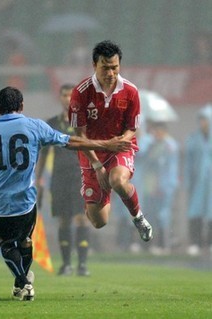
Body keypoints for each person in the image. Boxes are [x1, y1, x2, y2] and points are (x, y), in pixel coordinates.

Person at [0, 86, 131, 301]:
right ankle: (24, 281)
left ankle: (22, 281)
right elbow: (71, 141)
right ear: (21, 106)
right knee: (25, 241)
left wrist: (0, 175)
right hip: (25, 202)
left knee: (7, 243)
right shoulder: (35, 126)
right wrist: (106, 144)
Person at [68, 40, 153, 243]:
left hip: (119, 148)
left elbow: (132, 128)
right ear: (94, 65)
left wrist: (120, 142)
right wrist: (97, 165)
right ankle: (96, 197)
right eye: (105, 68)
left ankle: (138, 217)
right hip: (92, 154)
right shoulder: (81, 92)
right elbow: (79, 136)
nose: (111, 73)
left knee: (117, 180)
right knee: (99, 222)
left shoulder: (131, 91)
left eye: (114, 68)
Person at [36, 83, 90, 276]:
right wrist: (39, 180)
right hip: (58, 178)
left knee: (82, 218)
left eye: (71, 96)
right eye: (64, 95)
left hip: (80, 176)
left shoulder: (84, 123)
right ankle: (66, 264)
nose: (68, 99)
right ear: (59, 98)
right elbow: (43, 155)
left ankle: (82, 265)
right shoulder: (51, 124)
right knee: (63, 220)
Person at [138, 121, 179, 254]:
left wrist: (169, 184)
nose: (156, 134)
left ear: (164, 131)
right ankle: (150, 244)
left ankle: (163, 244)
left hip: (164, 185)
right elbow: (145, 160)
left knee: (163, 215)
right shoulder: (152, 145)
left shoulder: (169, 146)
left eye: (159, 131)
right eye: (155, 132)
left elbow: (170, 167)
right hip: (151, 185)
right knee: (151, 214)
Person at [184, 105, 212, 256]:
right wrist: (188, 181)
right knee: (195, 212)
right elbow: (188, 162)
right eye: (200, 120)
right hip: (198, 183)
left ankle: (210, 242)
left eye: (205, 120)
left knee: (211, 212)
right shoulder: (193, 139)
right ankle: (195, 242)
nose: (202, 123)